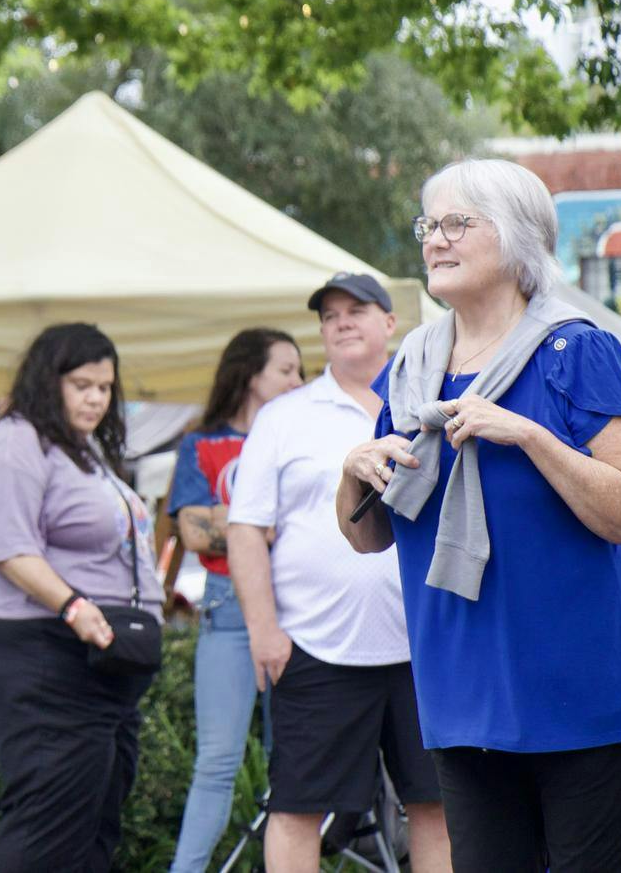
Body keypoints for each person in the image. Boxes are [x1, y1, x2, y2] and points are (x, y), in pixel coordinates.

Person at [339, 159, 621, 871]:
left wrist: (529, 435)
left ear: (518, 238)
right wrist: (351, 469)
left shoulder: (577, 349)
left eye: (458, 223)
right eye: (430, 224)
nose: (436, 239)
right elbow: (370, 535)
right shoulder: (412, 367)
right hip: (463, 696)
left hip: (581, 696)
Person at [225, 274, 449, 873]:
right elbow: (245, 527)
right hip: (316, 647)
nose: (342, 322)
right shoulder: (283, 415)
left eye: (356, 310)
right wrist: (263, 630)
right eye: (329, 316)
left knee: (438, 807)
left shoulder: (432, 403)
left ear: (390, 323)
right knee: (297, 810)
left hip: (426, 645)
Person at [0, 322, 163, 873]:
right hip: (37, 646)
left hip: (97, 657)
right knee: (51, 812)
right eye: (82, 384)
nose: (96, 397)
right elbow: (7, 548)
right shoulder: (16, 441)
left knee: (97, 811)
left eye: (105, 386)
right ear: (49, 382)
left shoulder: (83, 447)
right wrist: (75, 606)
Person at [166, 328, 304, 873]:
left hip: (297, 608)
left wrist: (239, 524)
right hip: (228, 608)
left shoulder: (300, 436)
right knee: (218, 762)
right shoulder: (200, 443)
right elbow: (194, 531)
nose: (300, 381)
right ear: (251, 375)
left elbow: (215, 524)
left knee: (292, 766)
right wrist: (268, 523)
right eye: (287, 370)